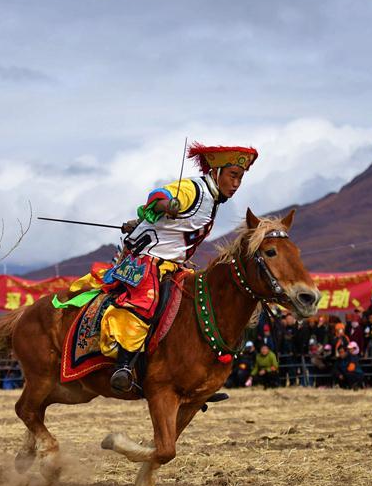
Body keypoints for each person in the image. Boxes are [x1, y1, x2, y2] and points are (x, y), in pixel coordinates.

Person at [97, 143, 258, 392]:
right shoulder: (193, 188)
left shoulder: (213, 200)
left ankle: (191, 377)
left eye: (240, 178)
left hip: (174, 266)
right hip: (145, 261)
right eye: (233, 175)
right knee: (145, 302)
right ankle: (124, 365)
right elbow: (158, 195)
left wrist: (139, 222)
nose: (236, 184)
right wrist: (167, 204)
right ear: (216, 173)